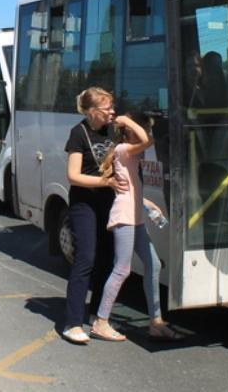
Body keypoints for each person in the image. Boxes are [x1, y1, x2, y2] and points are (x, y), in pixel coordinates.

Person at [91, 113, 184, 342]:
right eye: (142, 128)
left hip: (136, 217)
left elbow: (131, 188)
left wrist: (148, 204)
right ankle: (100, 322)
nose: (147, 133)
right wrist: (127, 121)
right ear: (130, 131)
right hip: (124, 217)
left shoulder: (131, 154)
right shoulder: (123, 149)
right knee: (121, 269)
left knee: (152, 264)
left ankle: (156, 321)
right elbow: (147, 140)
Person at [61, 87, 128, 345]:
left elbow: (144, 140)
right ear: (92, 112)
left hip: (108, 200)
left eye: (113, 106)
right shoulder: (78, 134)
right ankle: (72, 323)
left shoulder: (113, 129)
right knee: (86, 258)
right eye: (107, 108)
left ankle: (99, 317)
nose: (112, 111)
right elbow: (73, 176)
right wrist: (105, 183)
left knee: (107, 259)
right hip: (84, 202)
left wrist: (128, 121)